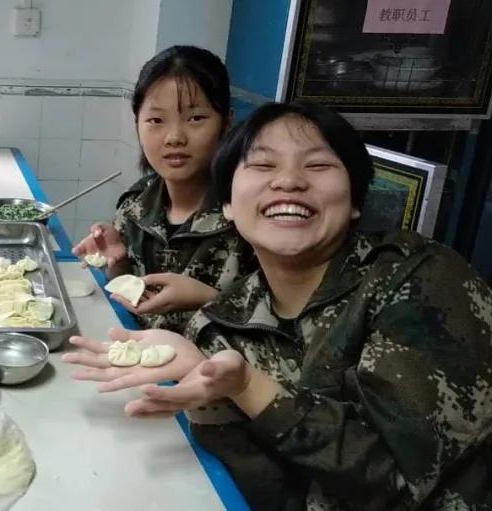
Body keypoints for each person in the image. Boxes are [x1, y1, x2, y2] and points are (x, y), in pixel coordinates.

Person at [65, 102, 492, 509]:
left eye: (317, 165)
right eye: (264, 165)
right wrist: (208, 391)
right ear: (228, 205)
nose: (288, 181)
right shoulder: (223, 323)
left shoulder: (419, 281)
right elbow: (265, 485)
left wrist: (249, 386)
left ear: (356, 200)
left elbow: (393, 483)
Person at [72, 45, 253, 332]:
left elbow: (286, 333)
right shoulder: (135, 205)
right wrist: (117, 266)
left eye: (195, 119)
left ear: (226, 122)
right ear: (138, 125)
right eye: (156, 120)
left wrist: (208, 299)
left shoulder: (250, 215)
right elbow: (133, 306)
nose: (174, 137)